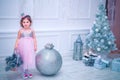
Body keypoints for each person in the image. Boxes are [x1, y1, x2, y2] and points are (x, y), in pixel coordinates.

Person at [14, 15, 37, 79]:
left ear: (30, 22)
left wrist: (35, 46)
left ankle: (27, 71)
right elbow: (18, 39)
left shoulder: (32, 30)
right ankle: (23, 72)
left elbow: (34, 38)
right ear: (21, 23)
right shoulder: (20, 31)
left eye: (27, 22)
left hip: (29, 47)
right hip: (22, 46)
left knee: (28, 59)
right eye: (24, 22)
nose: (25, 23)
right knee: (23, 59)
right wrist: (16, 45)